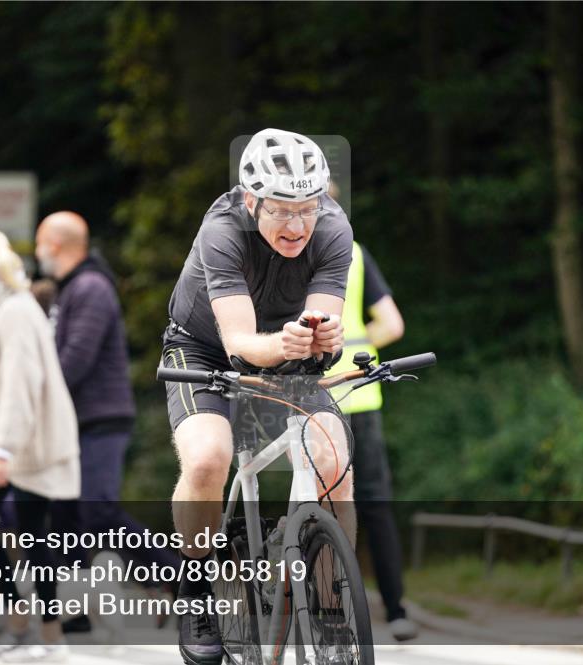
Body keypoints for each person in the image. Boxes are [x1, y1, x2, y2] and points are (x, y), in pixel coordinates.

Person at [160, 129, 353, 665]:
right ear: (252, 202)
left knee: (335, 460)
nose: (297, 226)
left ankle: (335, 603)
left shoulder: (333, 227)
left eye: (308, 209)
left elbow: (320, 330)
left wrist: (324, 339)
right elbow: (240, 344)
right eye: (281, 211)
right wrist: (288, 343)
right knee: (207, 459)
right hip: (204, 350)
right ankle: (197, 592)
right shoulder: (221, 231)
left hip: (283, 349)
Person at [35, 212, 178, 632]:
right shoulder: (70, 289)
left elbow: (76, 358)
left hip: (101, 417)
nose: (38, 252)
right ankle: (75, 613)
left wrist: (35, 397)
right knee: (67, 516)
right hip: (76, 421)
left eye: (42, 243)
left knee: (97, 510)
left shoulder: (91, 288)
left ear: (56, 246)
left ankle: (177, 578)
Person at [0, 229, 80, 663]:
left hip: (28, 444)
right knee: (20, 532)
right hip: (10, 441)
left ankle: (43, 633)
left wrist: (3, 450)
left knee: (16, 532)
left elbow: (19, 384)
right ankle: (27, 624)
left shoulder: (12, 310)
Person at [326, 240, 419, 641]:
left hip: (313, 394)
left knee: (323, 503)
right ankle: (396, 609)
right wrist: (359, 347)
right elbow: (392, 325)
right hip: (362, 393)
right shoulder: (354, 251)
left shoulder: (285, 246)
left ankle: (329, 611)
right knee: (376, 504)